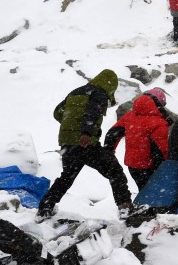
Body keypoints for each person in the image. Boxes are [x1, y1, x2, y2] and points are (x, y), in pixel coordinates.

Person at [36, 70, 132, 220]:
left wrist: (71, 124)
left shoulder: (75, 92)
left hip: (68, 143)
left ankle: (44, 209)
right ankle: (125, 208)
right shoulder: (98, 93)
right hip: (85, 142)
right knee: (115, 172)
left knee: (67, 176)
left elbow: (58, 112)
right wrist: (86, 132)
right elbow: (91, 112)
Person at [105, 94, 169, 190]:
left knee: (143, 190)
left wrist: (108, 150)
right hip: (148, 166)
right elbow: (159, 149)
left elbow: (112, 133)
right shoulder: (159, 122)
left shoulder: (129, 117)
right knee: (152, 193)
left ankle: (142, 203)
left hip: (132, 165)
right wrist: (162, 169)